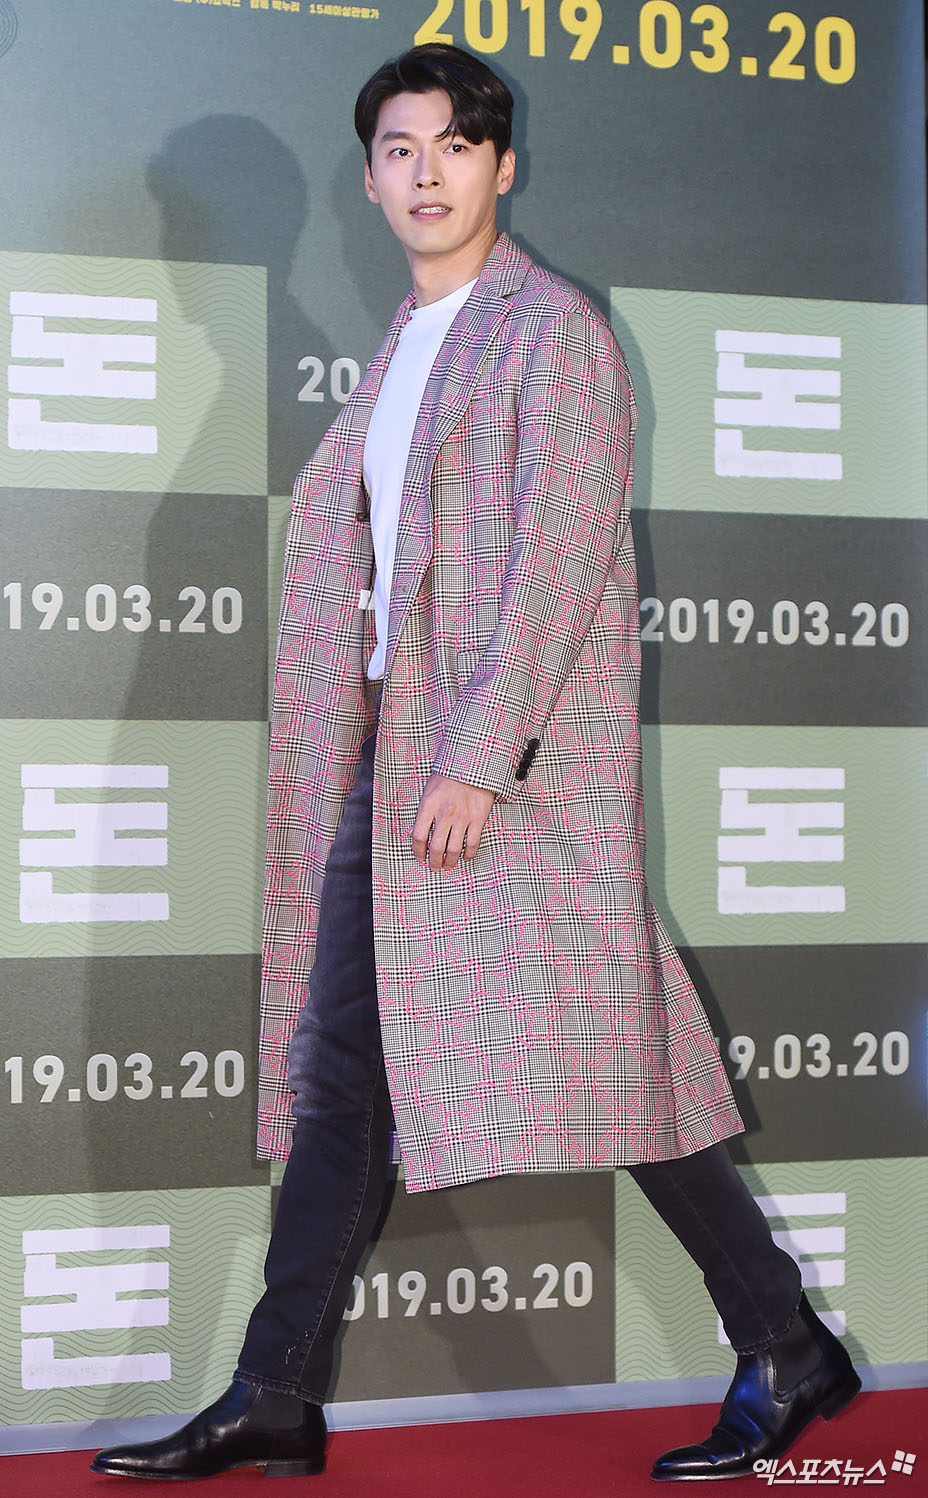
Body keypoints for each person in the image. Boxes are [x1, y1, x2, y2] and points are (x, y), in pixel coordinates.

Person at [92, 43, 859, 1485]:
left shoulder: (548, 330)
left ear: (502, 165)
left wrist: (477, 760)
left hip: (503, 787)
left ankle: (785, 1341)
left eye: (453, 146)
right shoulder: (402, 347)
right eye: (396, 149)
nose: (423, 173)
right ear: (369, 174)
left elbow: (560, 570)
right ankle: (276, 1388)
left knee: (622, 1066)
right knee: (340, 1080)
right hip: (383, 774)